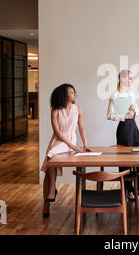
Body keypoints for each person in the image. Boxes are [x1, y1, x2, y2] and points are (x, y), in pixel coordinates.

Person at [40, 83, 90, 217]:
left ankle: (51, 191)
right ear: (63, 95)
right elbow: (57, 132)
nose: (74, 94)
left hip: (70, 140)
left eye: (74, 92)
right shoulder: (55, 110)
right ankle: (49, 196)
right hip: (58, 140)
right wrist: (73, 147)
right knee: (50, 160)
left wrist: (85, 144)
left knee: (51, 157)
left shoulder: (78, 109)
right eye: (71, 92)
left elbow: (81, 129)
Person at [107, 69, 139, 200]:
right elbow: (109, 115)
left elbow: (137, 109)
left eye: (132, 78)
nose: (132, 81)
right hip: (123, 126)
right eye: (130, 78)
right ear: (123, 79)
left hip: (133, 125)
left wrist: (134, 110)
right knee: (125, 159)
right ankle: (128, 190)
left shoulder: (131, 93)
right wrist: (123, 116)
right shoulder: (115, 95)